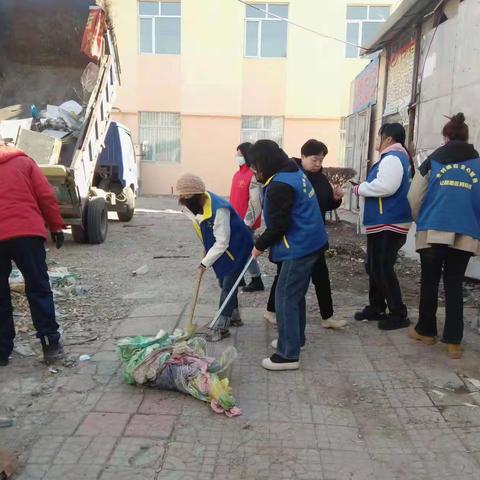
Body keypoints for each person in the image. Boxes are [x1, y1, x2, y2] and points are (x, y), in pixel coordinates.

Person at [248, 140, 328, 371]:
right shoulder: (292, 170)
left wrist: (258, 246)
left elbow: (279, 226)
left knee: (285, 297)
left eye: (255, 165)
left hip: (299, 246)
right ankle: (295, 339)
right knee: (294, 294)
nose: (254, 170)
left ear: (266, 162)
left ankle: (287, 354)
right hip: (311, 241)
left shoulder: (280, 185)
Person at [407, 113, 480, 359]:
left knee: (430, 281)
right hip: (466, 232)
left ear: (446, 136)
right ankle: (453, 342)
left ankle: (426, 332)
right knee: (454, 284)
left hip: (433, 230)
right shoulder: (478, 164)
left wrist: (421, 219)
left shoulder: (433, 160)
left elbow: (414, 196)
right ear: (466, 137)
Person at [265, 139, 346, 329]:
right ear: (302, 157)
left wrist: (335, 200)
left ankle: (327, 316)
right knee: (282, 276)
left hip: (314, 236)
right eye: (314, 159)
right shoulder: (293, 175)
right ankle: (271, 310)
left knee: (321, 276)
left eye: (321, 160)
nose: (318, 164)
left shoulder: (321, 178)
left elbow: (325, 204)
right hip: (294, 237)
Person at [0, 141, 65, 366]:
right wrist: (56, 227)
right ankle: (50, 346)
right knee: (38, 288)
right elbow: (45, 196)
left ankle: (2, 352)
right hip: (27, 234)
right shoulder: (25, 162)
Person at [176, 174, 253, 342]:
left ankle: (222, 326)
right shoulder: (197, 205)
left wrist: (204, 264)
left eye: (184, 197)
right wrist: (206, 249)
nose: (182, 201)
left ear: (194, 196)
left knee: (228, 284)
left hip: (238, 246)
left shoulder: (219, 209)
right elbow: (203, 229)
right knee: (223, 281)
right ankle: (234, 316)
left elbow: (222, 241)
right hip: (221, 246)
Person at [353, 123, 413, 331]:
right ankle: (376, 307)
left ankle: (398, 313)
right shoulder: (395, 158)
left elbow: (387, 186)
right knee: (374, 266)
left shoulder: (393, 158)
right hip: (383, 221)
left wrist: (360, 189)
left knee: (382, 267)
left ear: (387, 139)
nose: (377, 142)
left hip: (389, 221)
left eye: (379, 137)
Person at [229, 142, 264, 292]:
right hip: (235, 220)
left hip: (246, 223)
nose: (237, 157)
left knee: (245, 250)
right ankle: (241, 278)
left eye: (240, 154)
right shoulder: (237, 175)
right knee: (238, 250)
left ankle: (256, 280)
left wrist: (247, 223)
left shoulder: (253, 176)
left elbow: (256, 202)